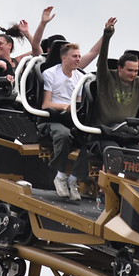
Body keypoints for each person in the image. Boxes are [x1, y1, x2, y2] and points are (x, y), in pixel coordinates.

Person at [39, 42, 87, 200]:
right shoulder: (51, 73)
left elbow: (78, 104)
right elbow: (46, 104)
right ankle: (60, 176)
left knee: (92, 140)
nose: (78, 59)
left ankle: (74, 179)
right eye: (74, 56)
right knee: (64, 135)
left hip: (72, 119)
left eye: (79, 56)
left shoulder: (80, 77)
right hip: (53, 118)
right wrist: (65, 107)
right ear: (64, 58)